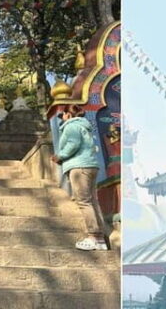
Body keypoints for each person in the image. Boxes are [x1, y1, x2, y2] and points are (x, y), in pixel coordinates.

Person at [51, 104, 107, 251]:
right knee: (92, 201)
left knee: (83, 202)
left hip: (79, 167)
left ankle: (93, 236)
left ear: (68, 114)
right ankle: (100, 239)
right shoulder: (84, 126)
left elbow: (73, 145)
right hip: (90, 165)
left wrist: (60, 156)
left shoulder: (71, 126)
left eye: (62, 115)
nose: (62, 118)